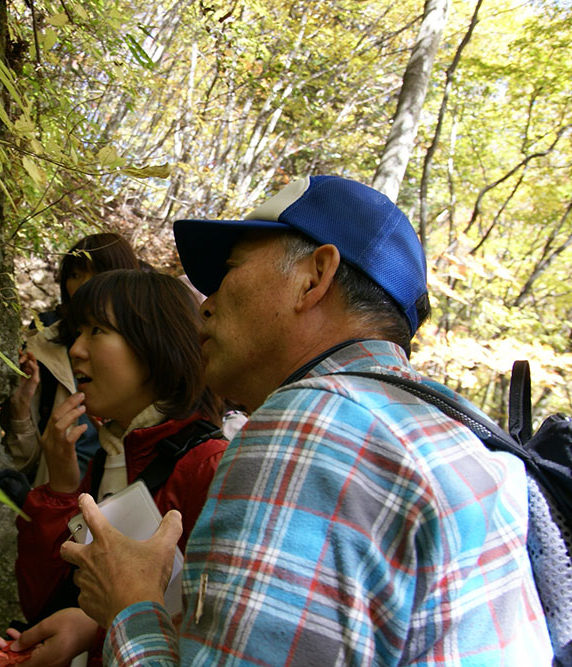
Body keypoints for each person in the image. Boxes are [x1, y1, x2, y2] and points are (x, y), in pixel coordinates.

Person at [54, 175, 553, 665]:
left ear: (314, 277)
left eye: (230, 269)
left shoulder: (311, 428)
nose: (206, 306)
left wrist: (132, 604)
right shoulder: (448, 430)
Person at [8, 270, 228, 666]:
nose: (76, 349)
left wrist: (94, 628)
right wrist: (61, 486)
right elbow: (39, 601)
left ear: (156, 346)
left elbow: (215, 638)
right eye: (78, 332)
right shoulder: (110, 453)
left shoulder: (209, 468)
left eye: (97, 330)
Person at [0, 233, 139, 505]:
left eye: (97, 272)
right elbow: (24, 458)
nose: (85, 284)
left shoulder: (151, 349)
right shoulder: (43, 343)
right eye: (75, 274)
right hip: (58, 500)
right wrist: (21, 404)